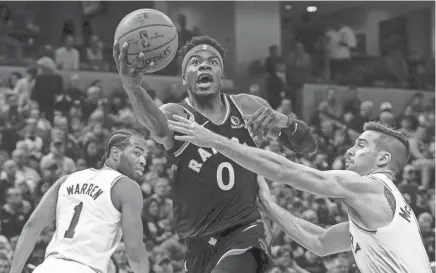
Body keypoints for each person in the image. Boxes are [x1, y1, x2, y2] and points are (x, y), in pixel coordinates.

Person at [112, 35, 316, 273]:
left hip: (246, 232)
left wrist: (285, 120)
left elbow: (306, 146)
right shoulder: (177, 115)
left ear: (222, 76)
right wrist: (132, 86)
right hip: (198, 245)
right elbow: (156, 126)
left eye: (213, 61)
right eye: (195, 62)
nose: (205, 65)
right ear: (183, 78)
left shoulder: (246, 107)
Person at [167, 117, 431, 273]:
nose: (350, 150)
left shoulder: (368, 186)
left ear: (383, 158)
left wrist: (214, 140)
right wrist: (269, 206)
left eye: (361, 145)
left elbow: (287, 171)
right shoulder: (387, 212)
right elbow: (321, 242)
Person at [9, 129, 150, 273]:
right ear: (115, 153)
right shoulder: (128, 187)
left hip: (47, 267)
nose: (143, 161)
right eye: (137, 153)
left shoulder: (66, 180)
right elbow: (134, 251)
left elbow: (31, 227)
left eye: (145, 156)